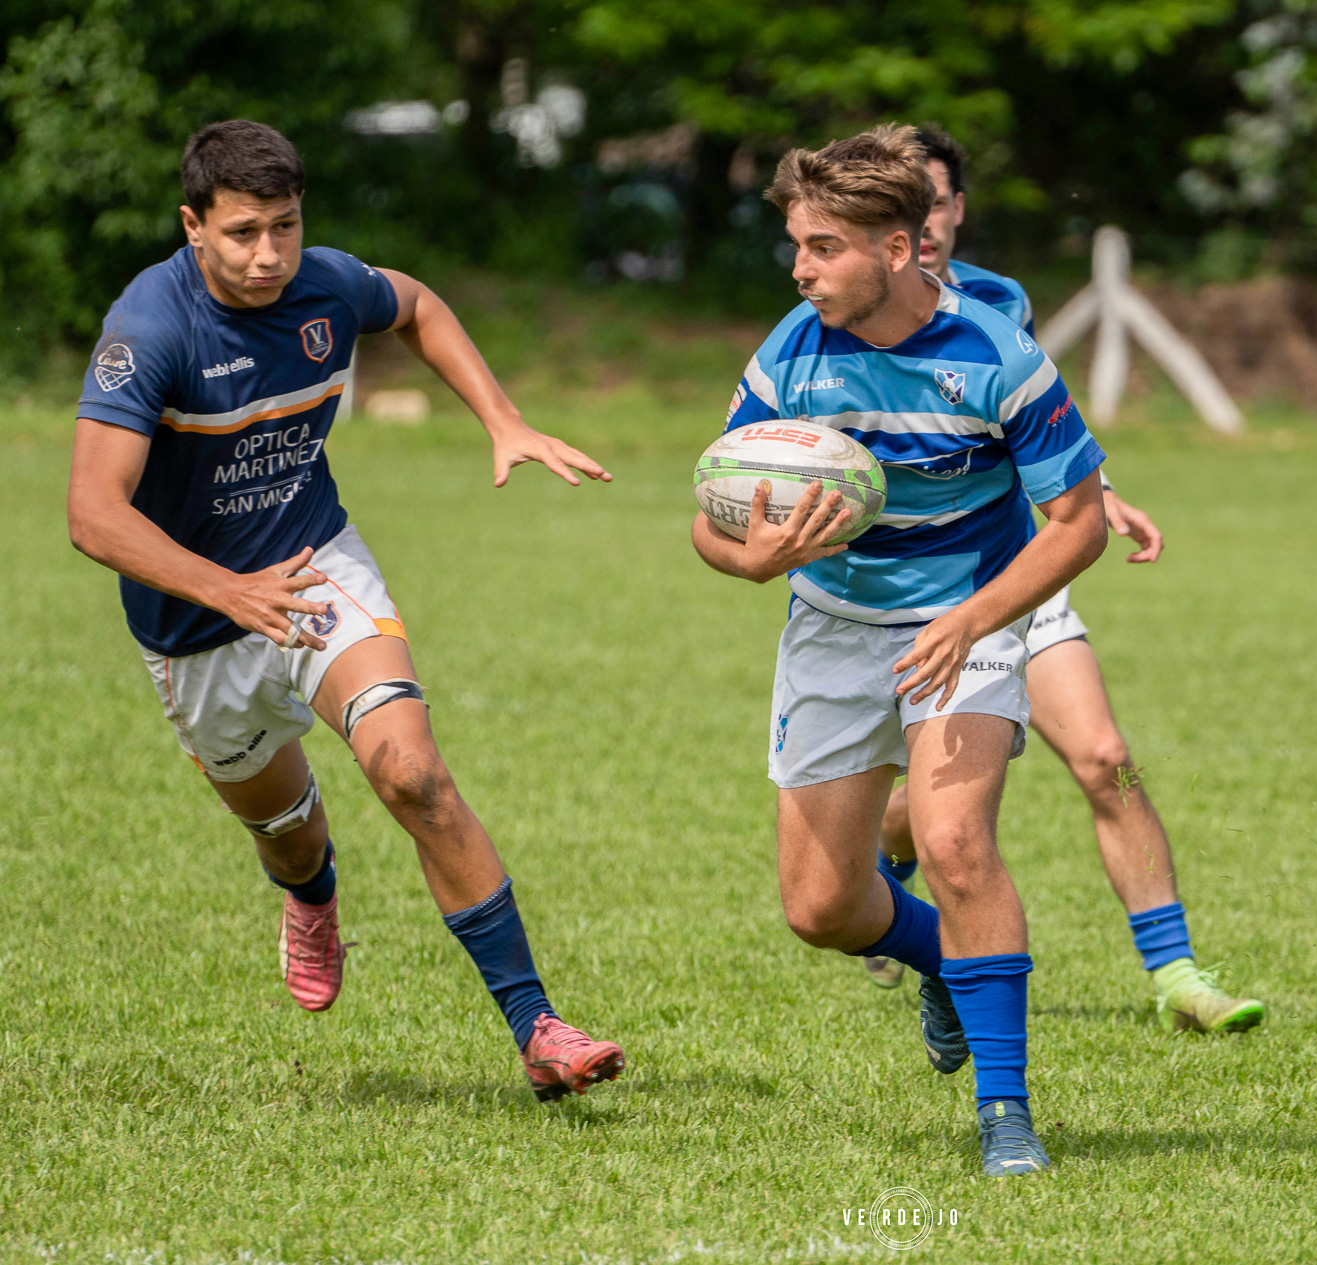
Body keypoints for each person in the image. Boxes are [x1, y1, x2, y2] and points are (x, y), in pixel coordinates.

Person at [67, 120, 624, 1102]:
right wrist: (229, 589)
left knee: (412, 773)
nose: (268, 254)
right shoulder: (150, 330)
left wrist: (503, 419)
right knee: (286, 831)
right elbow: (92, 512)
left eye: (284, 226)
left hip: (315, 564)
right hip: (196, 623)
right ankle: (311, 893)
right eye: (242, 232)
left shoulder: (325, 286)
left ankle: (538, 1026)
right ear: (192, 226)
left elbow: (417, 304)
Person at [692, 125, 1107, 1176]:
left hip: (967, 621)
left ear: (898, 248)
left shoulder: (998, 356)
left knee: (955, 841)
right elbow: (709, 514)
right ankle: (940, 958)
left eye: (823, 248)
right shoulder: (790, 354)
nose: (800, 269)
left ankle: (1006, 1112)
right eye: (797, 245)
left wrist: (976, 619)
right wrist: (748, 559)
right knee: (821, 907)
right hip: (832, 625)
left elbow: (1079, 522)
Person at [859, 128, 1266, 1039]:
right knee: (930, 809)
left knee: (1107, 757)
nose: (924, 221)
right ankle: (890, 872)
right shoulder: (846, 315)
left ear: (956, 209)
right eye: (905, 203)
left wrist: (1102, 492)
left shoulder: (1001, 302)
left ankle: (1178, 975)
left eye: (935, 200)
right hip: (913, 593)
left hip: (1019, 578)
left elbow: (1041, 426)